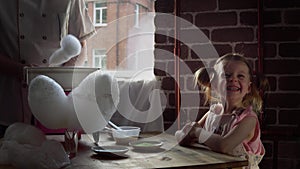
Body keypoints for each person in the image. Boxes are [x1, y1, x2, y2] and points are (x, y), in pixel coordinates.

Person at [0, 0, 96, 137]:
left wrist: (63, 78)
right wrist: (22, 71)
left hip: (57, 109)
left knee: (62, 156)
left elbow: (80, 45)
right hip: (8, 107)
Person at [175, 53, 269, 169]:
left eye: (240, 76)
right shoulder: (213, 113)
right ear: (214, 84)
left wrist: (197, 132)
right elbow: (182, 135)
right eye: (226, 75)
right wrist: (186, 134)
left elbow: (225, 145)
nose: (233, 79)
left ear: (248, 88)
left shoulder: (248, 119)